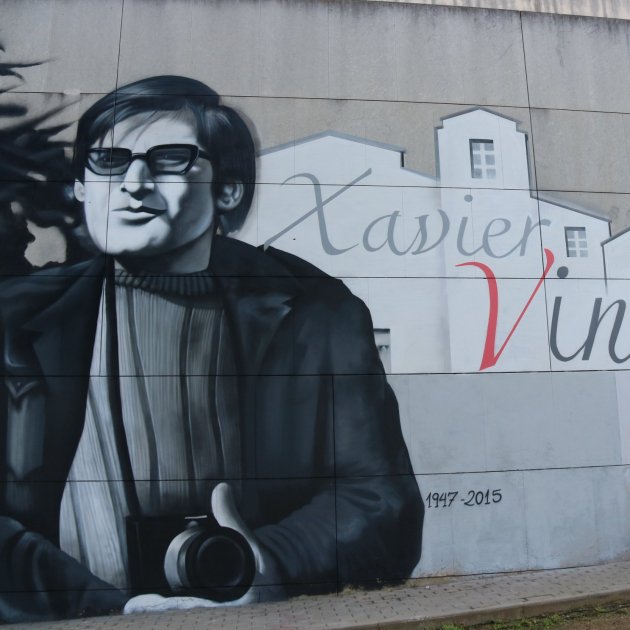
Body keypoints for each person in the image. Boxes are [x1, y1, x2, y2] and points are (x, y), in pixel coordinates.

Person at [0, 76, 423, 622]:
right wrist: (108, 608)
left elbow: (381, 500)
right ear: (81, 187)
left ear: (228, 190)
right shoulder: (15, 318)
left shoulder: (318, 313)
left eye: (169, 160)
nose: (133, 184)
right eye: (108, 162)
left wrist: (271, 561)